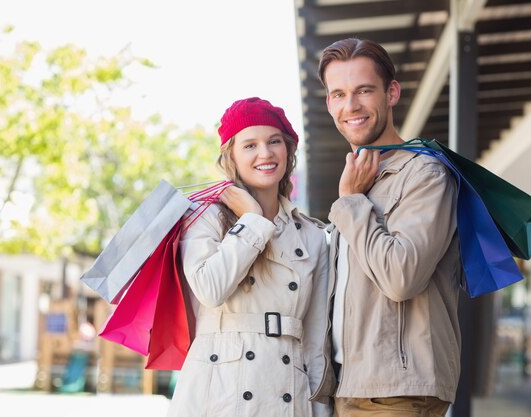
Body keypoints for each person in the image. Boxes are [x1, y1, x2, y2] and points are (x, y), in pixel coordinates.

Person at [315, 38, 462, 416]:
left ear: (391, 93)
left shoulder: (425, 173)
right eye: (339, 94)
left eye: (364, 90)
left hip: (397, 389)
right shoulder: (361, 180)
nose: (351, 106)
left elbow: (402, 277)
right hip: (351, 384)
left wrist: (350, 201)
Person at [167, 97, 332, 417]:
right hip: (218, 393)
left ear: (288, 151)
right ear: (231, 155)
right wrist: (253, 220)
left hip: (287, 392)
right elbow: (210, 288)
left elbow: (315, 342)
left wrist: (320, 409)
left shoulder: (312, 235)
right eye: (250, 145)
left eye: (274, 142)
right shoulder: (205, 217)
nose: (265, 153)